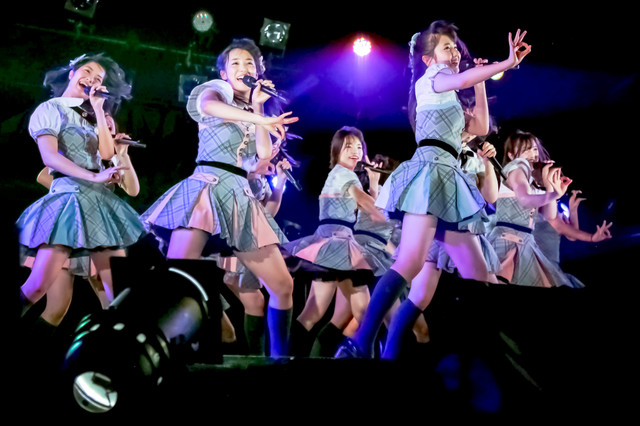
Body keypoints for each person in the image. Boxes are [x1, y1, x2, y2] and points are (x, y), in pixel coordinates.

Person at [336, 20, 531, 358]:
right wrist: (506, 63)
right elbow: (463, 80)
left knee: (480, 276)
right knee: (410, 261)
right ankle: (359, 342)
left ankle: (488, 360)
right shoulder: (431, 79)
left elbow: (481, 126)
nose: (454, 52)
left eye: (455, 47)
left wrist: (481, 81)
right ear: (428, 59)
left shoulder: (448, 94)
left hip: (447, 180)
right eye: (446, 47)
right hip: (432, 173)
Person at [139, 38, 298, 357]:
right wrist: (260, 120)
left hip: (240, 193)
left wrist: (258, 108)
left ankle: (279, 362)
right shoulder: (218, 90)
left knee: (283, 287)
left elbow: (263, 154)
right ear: (224, 73)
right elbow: (207, 106)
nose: (243, 67)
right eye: (235, 63)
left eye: (250, 63)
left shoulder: (254, 110)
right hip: (207, 186)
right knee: (178, 278)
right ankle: (159, 353)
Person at [16, 52, 145, 321]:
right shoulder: (51, 109)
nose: (92, 79)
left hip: (100, 207)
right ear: (72, 73)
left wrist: (99, 113)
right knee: (39, 289)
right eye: (87, 71)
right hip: (69, 203)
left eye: (99, 78)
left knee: (112, 295)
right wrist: (93, 177)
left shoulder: (97, 116)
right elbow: (50, 158)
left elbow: (109, 157)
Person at [285, 126, 386, 356]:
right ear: (337, 150)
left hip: (330, 241)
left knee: (313, 313)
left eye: (359, 147)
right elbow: (371, 210)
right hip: (339, 243)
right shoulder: (345, 175)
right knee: (365, 315)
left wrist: (371, 184)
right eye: (348, 146)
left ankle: (286, 357)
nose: (355, 151)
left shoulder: (340, 174)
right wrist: (374, 186)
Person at [487, 130, 580, 287]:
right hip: (509, 241)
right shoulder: (517, 167)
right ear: (511, 155)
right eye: (526, 149)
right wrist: (554, 194)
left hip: (524, 242)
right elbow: (524, 200)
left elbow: (550, 216)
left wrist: (549, 183)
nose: (532, 154)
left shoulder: (530, 179)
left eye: (534, 148)